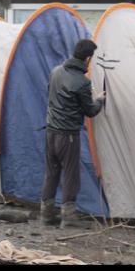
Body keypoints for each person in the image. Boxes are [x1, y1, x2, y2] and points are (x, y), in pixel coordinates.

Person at [40, 39, 106, 228]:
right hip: (67, 135)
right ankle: (68, 218)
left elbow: (50, 95)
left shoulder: (55, 71)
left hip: (50, 132)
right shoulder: (82, 82)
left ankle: (46, 215)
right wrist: (99, 100)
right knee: (70, 175)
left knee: (51, 173)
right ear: (87, 58)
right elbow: (90, 111)